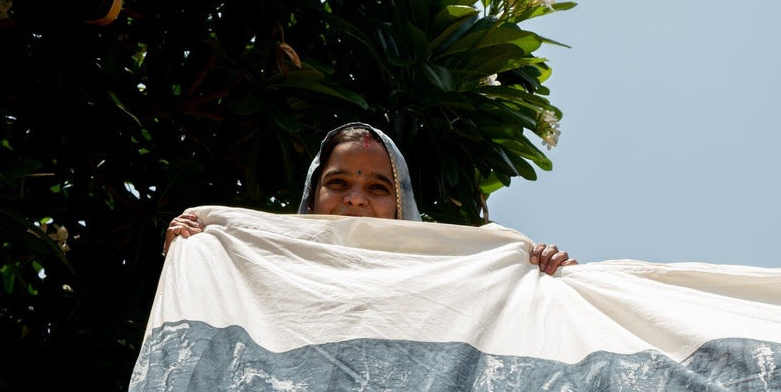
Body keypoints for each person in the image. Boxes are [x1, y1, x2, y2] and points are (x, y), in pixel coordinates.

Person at [163, 121, 577, 273]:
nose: (356, 200)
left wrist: (541, 277)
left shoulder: (444, 271)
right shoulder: (263, 263)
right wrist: (196, 257)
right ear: (312, 194)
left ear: (401, 208)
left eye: (378, 188)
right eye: (338, 183)